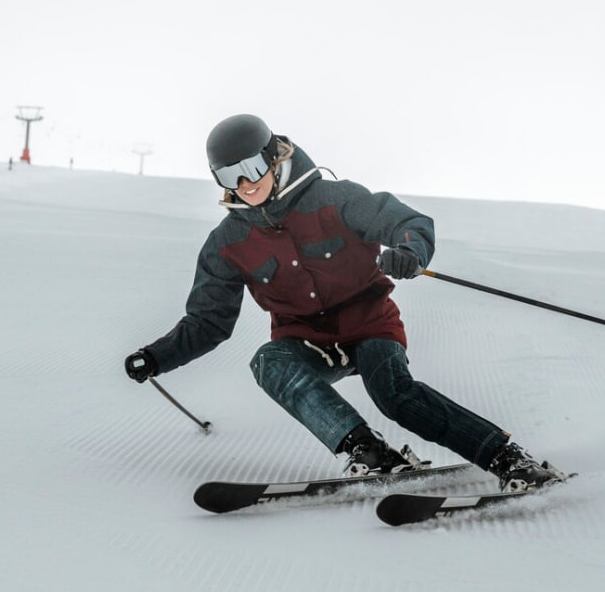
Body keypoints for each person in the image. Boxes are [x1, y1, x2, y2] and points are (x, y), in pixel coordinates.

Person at [124, 114, 565, 491]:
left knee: (393, 393)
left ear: (275, 156)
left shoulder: (334, 200)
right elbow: (207, 322)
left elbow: (408, 222)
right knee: (269, 362)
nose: (242, 184)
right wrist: (156, 357)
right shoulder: (228, 243)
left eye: (250, 168)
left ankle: (509, 460)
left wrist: (410, 251)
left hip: (370, 325)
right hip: (307, 341)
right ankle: (369, 452)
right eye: (227, 177)